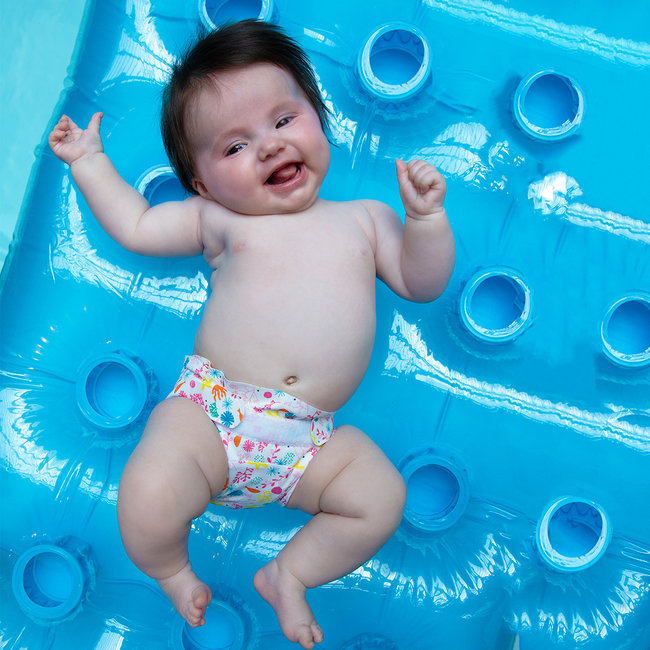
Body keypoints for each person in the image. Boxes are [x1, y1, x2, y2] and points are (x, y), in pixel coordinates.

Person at [49, 19, 455, 649]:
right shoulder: (221, 221)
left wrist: (426, 219)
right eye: (234, 147)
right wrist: (89, 161)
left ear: (320, 120)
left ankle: (288, 574)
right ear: (202, 183)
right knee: (148, 494)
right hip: (213, 413)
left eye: (284, 120)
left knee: (380, 497)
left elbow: (421, 282)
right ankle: (170, 569)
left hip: (309, 441)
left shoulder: (367, 220)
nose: (267, 146)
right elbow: (134, 225)